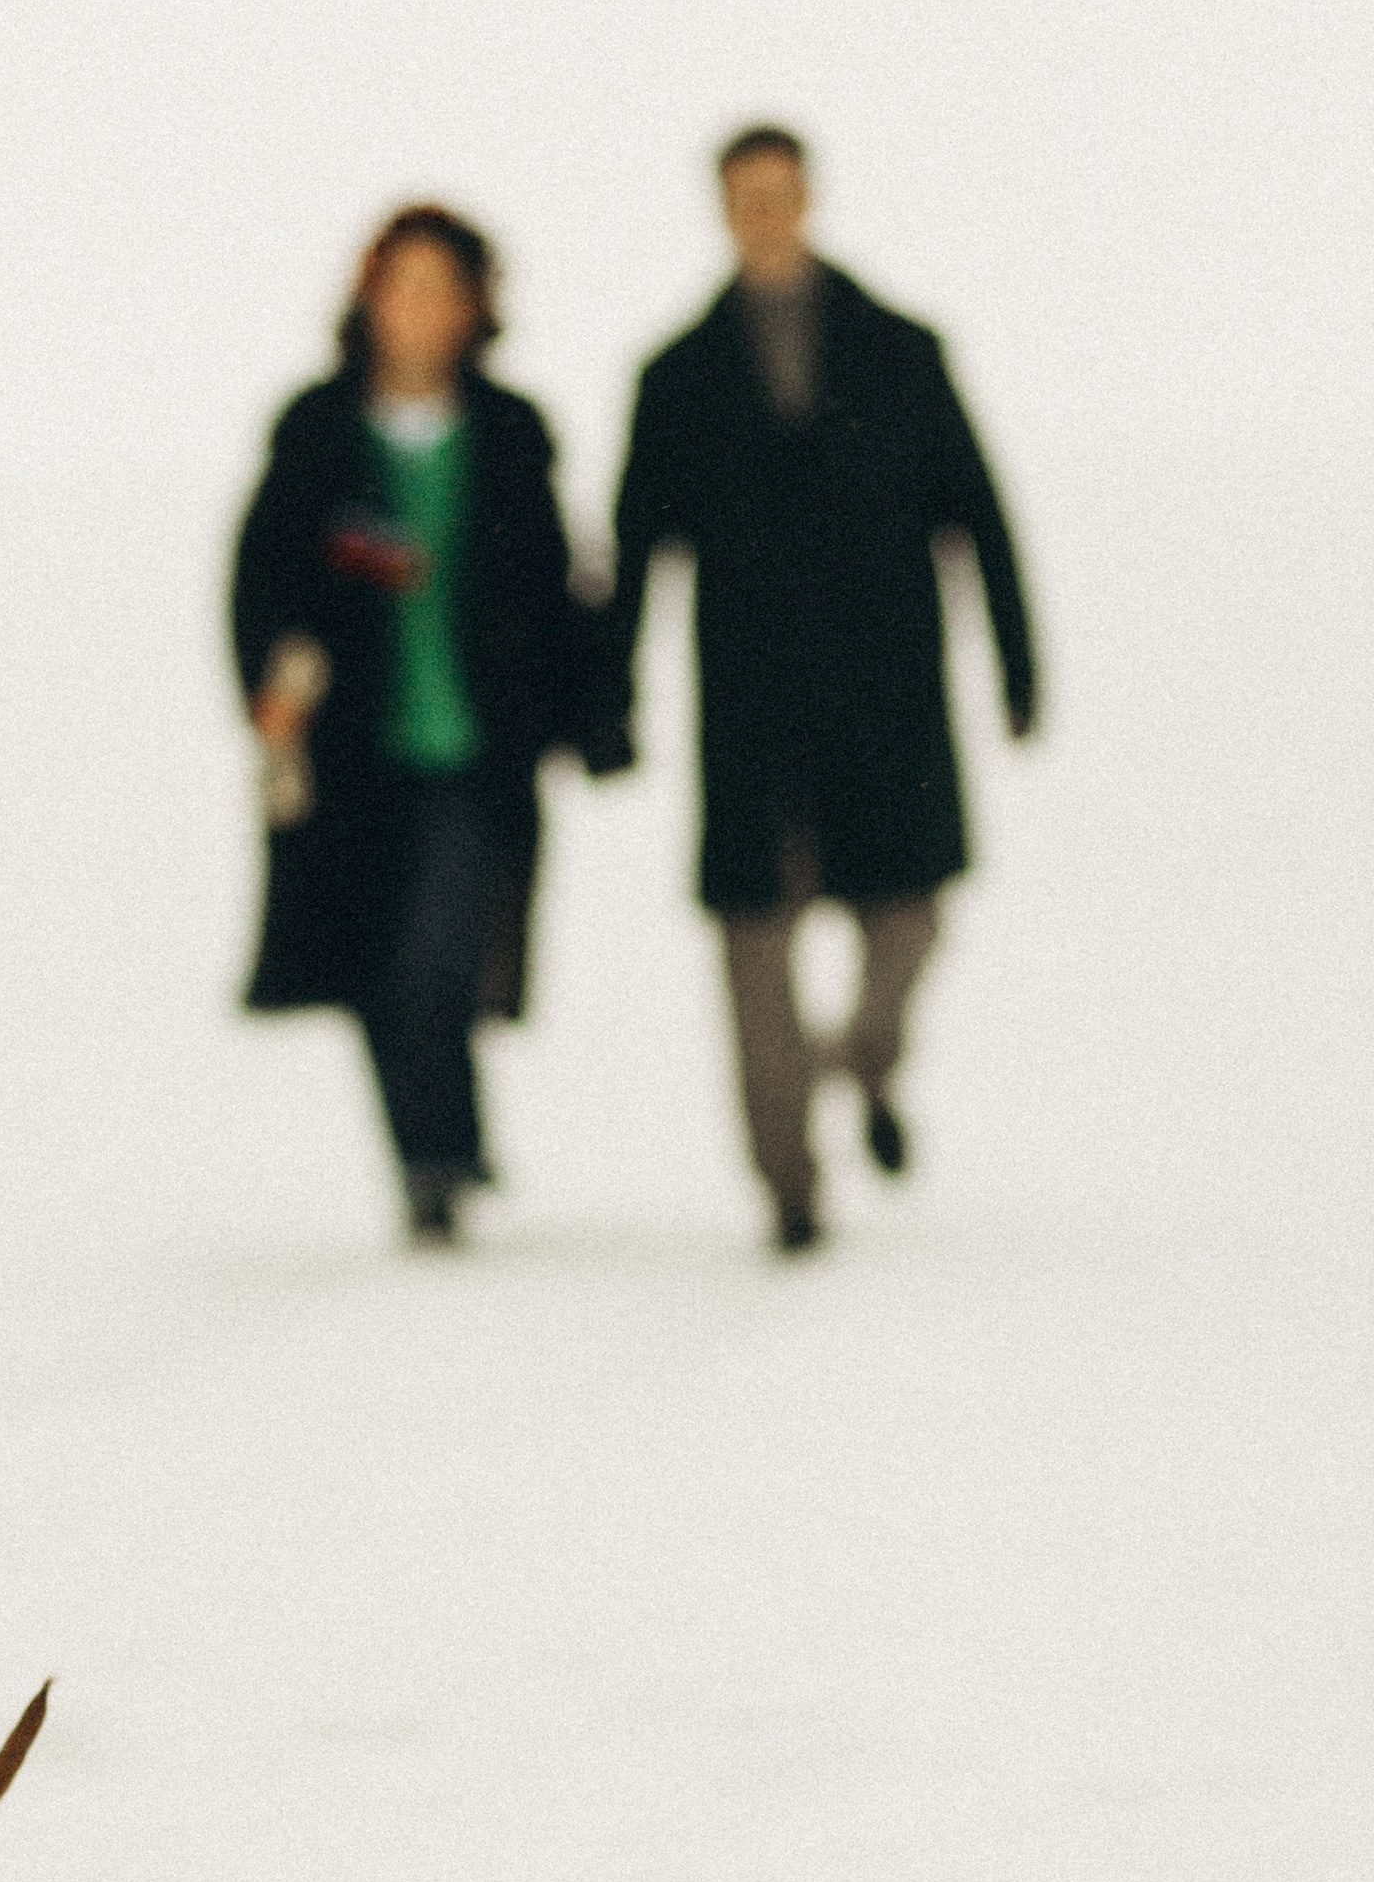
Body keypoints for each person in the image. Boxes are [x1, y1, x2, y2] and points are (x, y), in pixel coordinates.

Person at [603, 128, 1038, 1249]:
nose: (762, 214)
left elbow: (976, 513)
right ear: (719, 207)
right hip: (747, 699)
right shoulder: (679, 375)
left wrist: (1017, 661)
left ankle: (864, 1058)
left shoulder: (899, 350)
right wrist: (609, 701)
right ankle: (787, 1181)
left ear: (807, 199)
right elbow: (636, 540)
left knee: (909, 917)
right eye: (742, 197)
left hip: (886, 688)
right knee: (753, 937)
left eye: (777, 195)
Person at [231, 203, 587, 1242]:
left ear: (478, 307)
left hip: (476, 747)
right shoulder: (316, 429)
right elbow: (263, 573)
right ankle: (430, 1161)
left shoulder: (510, 432)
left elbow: (552, 587)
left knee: (443, 951)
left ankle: (442, 1148)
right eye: (403, 287)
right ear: (367, 298)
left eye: (444, 289)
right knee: (372, 961)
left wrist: (581, 710)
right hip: (354, 752)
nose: (421, 311)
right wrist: (273, 679)